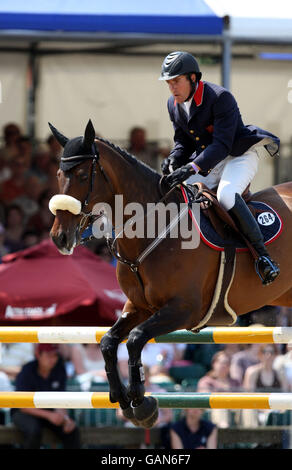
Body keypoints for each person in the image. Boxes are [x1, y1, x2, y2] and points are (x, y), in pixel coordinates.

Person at [159, 51, 280, 286]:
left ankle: (263, 257)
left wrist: (191, 167)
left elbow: (222, 145)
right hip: (207, 161)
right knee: (172, 192)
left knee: (225, 195)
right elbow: (182, 142)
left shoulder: (220, 97)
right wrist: (174, 160)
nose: (172, 87)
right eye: (168, 82)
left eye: (176, 81)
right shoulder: (172, 104)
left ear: (193, 78)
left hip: (237, 155)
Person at [11, 344, 80, 449]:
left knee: (72, 431)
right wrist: (49, 415)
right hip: (25, 412)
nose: (52, 359)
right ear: (38, 355)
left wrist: (65, 419)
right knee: (34, 430)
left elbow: (60, 399)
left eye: (55, 355)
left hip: (49, 412)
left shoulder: (59, 369)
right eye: (48, 355)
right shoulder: (27, 370)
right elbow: (22, 406)